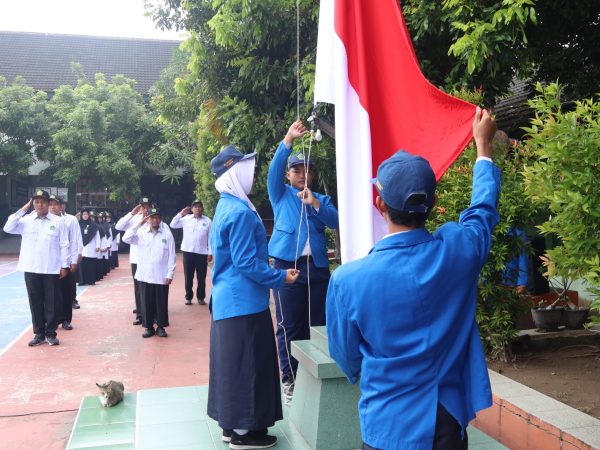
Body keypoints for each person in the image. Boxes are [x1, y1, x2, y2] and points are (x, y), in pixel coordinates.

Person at [326, 108, 500, 450]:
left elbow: (346, 357)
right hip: (446, 421)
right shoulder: (459, 252)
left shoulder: (348, 281)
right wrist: (483, 148)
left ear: (380, 204)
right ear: (433, 203)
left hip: (386, 423)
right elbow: (482, 212)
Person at [207, 145, 300, 449]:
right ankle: (245, 434)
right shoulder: (239, 212)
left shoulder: (225, 205)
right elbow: (246, 263)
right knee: (248, 367)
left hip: (229, 300)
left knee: (232, 366)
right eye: (246, 170)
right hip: (243, 303)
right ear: (234, 174)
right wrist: (280, 277)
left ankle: (230, 426)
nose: (251, 175)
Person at [267, 119, 339, 402]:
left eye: (307, 169)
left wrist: (315, 203)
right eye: (296, 170)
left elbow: (335, 221)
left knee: (318, 323)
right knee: (289, 325)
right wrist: (288, 140)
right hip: (287, 267)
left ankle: (313, 377)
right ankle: (290, 379)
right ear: (288, 174)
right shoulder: (280, 193)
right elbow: (273, 171)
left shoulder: (321, 198)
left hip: (317, 268)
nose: (302, 174)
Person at [3, 190, 70, 346]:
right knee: (35, 302)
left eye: (43, 201)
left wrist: (65, 265)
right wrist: (23, 209)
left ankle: (51, 333)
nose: (40, 205)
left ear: (48, 203)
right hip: (31, 267)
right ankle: (39, 333)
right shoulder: (25, 221)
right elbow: (7, 227)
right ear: (32, 203)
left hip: (51, 268)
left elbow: (64, 244)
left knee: (51, 303)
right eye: (37, 202)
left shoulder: (58, 221)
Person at [122, 207, 176, 338]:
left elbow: (172, 256)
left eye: (157, 217)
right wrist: (138, 224)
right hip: (144, 275)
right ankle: (149, 327)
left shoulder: (167, 235)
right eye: (152, 218)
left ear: (160, 219)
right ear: (148, 219)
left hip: (161, 275)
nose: (155, 220)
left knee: (161, 302)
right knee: (146, 302)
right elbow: (125, 238)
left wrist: (170, 274)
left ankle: (161, 327)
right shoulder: (141, 233)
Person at [116, 197, 152, 325]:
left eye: (147, 206)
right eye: (143, 206)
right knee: (138, 287)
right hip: (137, 258)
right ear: (139, 207)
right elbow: (119, 226)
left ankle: (151, 312)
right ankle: (140, 313)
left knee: (151, 286)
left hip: (151, 259)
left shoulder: (154, 218)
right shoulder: (134, 218)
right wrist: (132, 213)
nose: (145, 208)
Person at [48, 195, 82, 330]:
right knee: (51, 293)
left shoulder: (70, 220)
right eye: (50, 204)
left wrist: (75, 259)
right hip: (50, 262)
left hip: (66, 261)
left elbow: (76, 240)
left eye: (56, 204)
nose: (52, 207)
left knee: (66, 291)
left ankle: (66, 319)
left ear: (62, 206)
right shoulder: (44, 220)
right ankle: (52, 319)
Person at [170, 199, 212, 305]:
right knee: (188, 277)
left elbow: (210, 238)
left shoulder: (207, 221)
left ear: (202, 208)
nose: (197, 208)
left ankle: (201, 297)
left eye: (199, 206)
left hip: (202, 253)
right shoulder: (186, 219)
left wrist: (210, 252)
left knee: (201, 277)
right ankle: (188, 297)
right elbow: (173, 224)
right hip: (188, 252)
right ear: (192, 209)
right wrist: (181, 214)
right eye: (195, 207)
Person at [60, 198, 84, 309]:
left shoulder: (71, 219)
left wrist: (79, 252)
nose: (59, 206)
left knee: (71, 280)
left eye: (61, 204)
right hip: (55, 257)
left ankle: (72, 300)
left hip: (69, 255)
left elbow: (77, 237)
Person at [78, 208, 101, 286]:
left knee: (91, 264)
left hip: (91, 247)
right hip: (81, 247)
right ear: (81, 215)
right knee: (82, 264)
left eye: (86, 214)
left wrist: (98, 246)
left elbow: (97, 236)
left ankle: (91, 280)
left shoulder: (93, 225)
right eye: (84, 214)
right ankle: (82, 281)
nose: (85, 216)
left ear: (89, 215)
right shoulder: (78, 224)